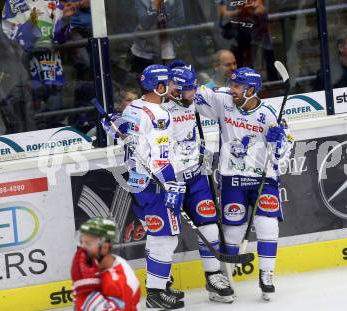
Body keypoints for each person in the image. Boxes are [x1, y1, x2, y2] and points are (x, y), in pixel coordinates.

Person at [194, 67, 293, 300]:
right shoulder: (223, 101)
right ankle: (223, 281)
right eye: (232, 84)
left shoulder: (269, 114)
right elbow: (193, 96)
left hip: (263, 179)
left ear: (251, 89)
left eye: (237, 86)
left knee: (268, 226)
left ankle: (266, 275)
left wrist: (277, 142)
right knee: (233, 232)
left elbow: (286, 148)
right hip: (232, 180)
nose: (233, 89)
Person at [101, 64, 186, 310]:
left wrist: (113, 124)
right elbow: (159, 158)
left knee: (155, 233)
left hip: (136, 182)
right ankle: (156, 293)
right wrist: (171, 184)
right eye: (169, 83)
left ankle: (159, 285)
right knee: (165, 238)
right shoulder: (160, 115)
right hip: (155, 183)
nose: (172, 87)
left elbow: (122, 131)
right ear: (159, 87)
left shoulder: (133, 107)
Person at [163, 64, 234, 303]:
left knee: (210, 226)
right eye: (189, 89)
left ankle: (213, 276)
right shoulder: (158, 108)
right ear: (175, 90)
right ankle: (162, 283)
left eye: (194, 87)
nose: (195, 92)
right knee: (164, 236)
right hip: (167, 181)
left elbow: (225, 101)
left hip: (196, 176)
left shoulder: (195, 99)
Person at [1, 0, 74, 116]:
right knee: (31, 102)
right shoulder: (13, 3)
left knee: (55, 103)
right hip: (26, 60)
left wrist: (65, 19)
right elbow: (11, 32)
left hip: (51, 59)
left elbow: (60, 38)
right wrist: (31, 25)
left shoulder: (53, 2)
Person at [71, 217, 141, 310]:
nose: (82, 249)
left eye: (88, 244)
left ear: (105, 247)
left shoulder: (118, 282)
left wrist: (85, 294)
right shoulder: (97, 265)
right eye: (82, 243)